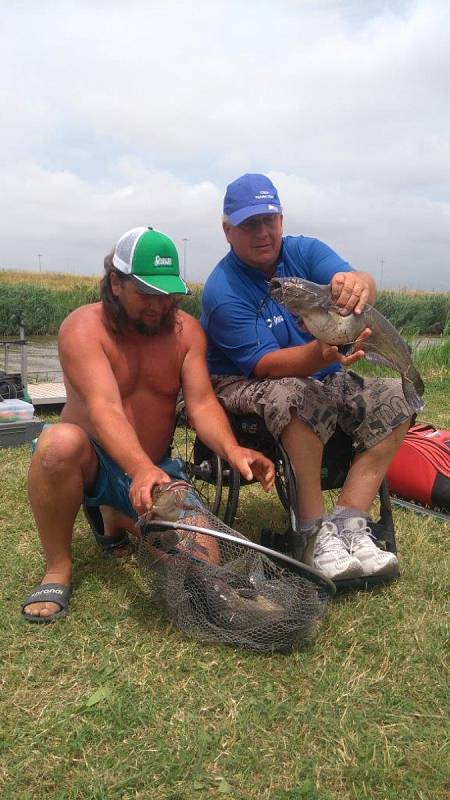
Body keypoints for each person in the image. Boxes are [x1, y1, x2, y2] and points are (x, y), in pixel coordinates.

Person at [22, 226, 274, 623]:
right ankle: (58, 567)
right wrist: (137, 469)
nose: (158, 307)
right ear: (115, 283)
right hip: (94, 461)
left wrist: (232, 449)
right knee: (57, 444)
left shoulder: (186, 332)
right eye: (146, 294)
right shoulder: (82, 328)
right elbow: (105, 407)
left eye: (167, 295)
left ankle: (117, 515)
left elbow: (203, 403)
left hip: (156, 470)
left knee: (200, 558)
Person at [201, 173, 418, 581]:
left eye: (270, 220)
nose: (263, 232)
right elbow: (267, 366)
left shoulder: (306, 250)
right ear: (228, 230)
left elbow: (364, 284)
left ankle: (351, 523)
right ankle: (312, 535)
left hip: (319, 369)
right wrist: (324, 354)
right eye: (249, 224)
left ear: (281, 219)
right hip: (244, 381)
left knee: (399, 397)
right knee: (295, 395)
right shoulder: (222, 290)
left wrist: (359, 285)